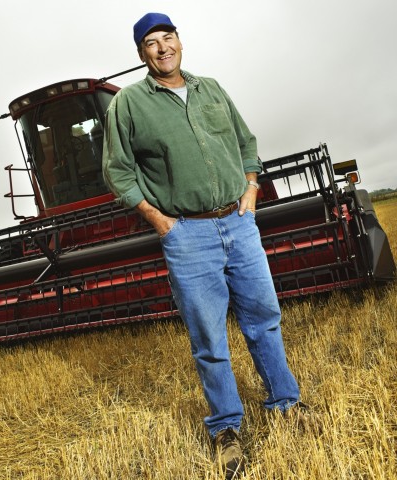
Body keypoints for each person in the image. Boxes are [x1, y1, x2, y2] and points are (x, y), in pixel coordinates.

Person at [102, 12, 306, 477]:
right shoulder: (129, 105)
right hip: (187, 234)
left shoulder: (211, 88)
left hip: (238, 222)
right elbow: (118, 170)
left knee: (265, 320)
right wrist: (161, 221)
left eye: (167, 37)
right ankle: (225, 428)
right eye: (150, 43)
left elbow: (245, 141)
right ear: (141, 53)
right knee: (209, 338)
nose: (161, 48)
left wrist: (251, 189)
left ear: (179, 41)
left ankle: (285, 403)